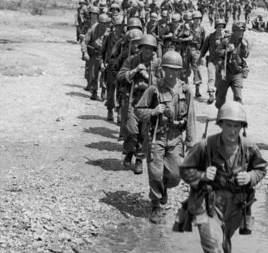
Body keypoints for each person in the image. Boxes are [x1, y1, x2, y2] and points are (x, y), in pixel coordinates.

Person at [180, 102, 267, 253]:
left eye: (236, 126)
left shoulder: (248, 148)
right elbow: (185, 171)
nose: (232, 131)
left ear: (242, 127)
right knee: (215, 250)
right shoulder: (205, 146)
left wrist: (250, 177)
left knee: (223, 251)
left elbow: (261, 168)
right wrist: (202, 175)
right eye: (228, 125)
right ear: (220, 125)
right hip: (207, 205)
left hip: (235, 209)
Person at [135, 50, 196, 223]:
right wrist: (154, 111)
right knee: (155, 172)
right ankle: (155, 204)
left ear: (180, 71)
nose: (171, 73)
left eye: (175, 70)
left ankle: (164, 188)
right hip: (157, 136)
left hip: (176, 138)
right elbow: (138, 111)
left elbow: (190, 117)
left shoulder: (186, 91)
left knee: (176, 175)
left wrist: (191, 142)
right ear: (162, 70)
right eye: (168, 69)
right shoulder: (154, 90)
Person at [117, 34, 161, 175]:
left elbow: (161, 84)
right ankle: (130, 152)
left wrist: (147, 76)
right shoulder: (132, 60)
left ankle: (138, 160)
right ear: (140, 48)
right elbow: (120, 76)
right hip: (133, 100)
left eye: (150, 48)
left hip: (148, 103)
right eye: (145, 48)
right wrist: (135, 70)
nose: (147, 51)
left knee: (144, 132)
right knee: (131, 129)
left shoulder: (157, 64)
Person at [215, 21, 250, 110]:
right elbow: (217, 52)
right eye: (239, 31)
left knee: (238, 96)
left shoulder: (244, 42)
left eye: (242, 31)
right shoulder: (226, 41)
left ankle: (237, 116)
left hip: (237, 72)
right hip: (225, 72)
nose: (241, 33)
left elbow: (246, 55)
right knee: (220, 97)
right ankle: (220, 113)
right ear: (234, 31)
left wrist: (244, 47)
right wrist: (227, 50)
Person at [80, 12, 110, 100]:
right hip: (95, 54)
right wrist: (85, 53)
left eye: (106, 23)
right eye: (102, 23)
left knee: (105, 74)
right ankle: (94, 91)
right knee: (93, 74)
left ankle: (104, 90)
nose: (104, 25)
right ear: (99, 22)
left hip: (104, 55)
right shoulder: (92, 29)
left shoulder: (108, 32)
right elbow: (84, 42)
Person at [199, 19, 227, 105]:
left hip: (221, 62)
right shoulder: (210, 37)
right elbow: (204, 48)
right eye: (219, 27)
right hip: (211, 60)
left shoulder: (226, 38)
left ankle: (218, 95)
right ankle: (211, 94)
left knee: (219, 80)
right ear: (216, 27)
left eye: (222, 27)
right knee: (211, 77)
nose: (220, 29)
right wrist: (200, 57)